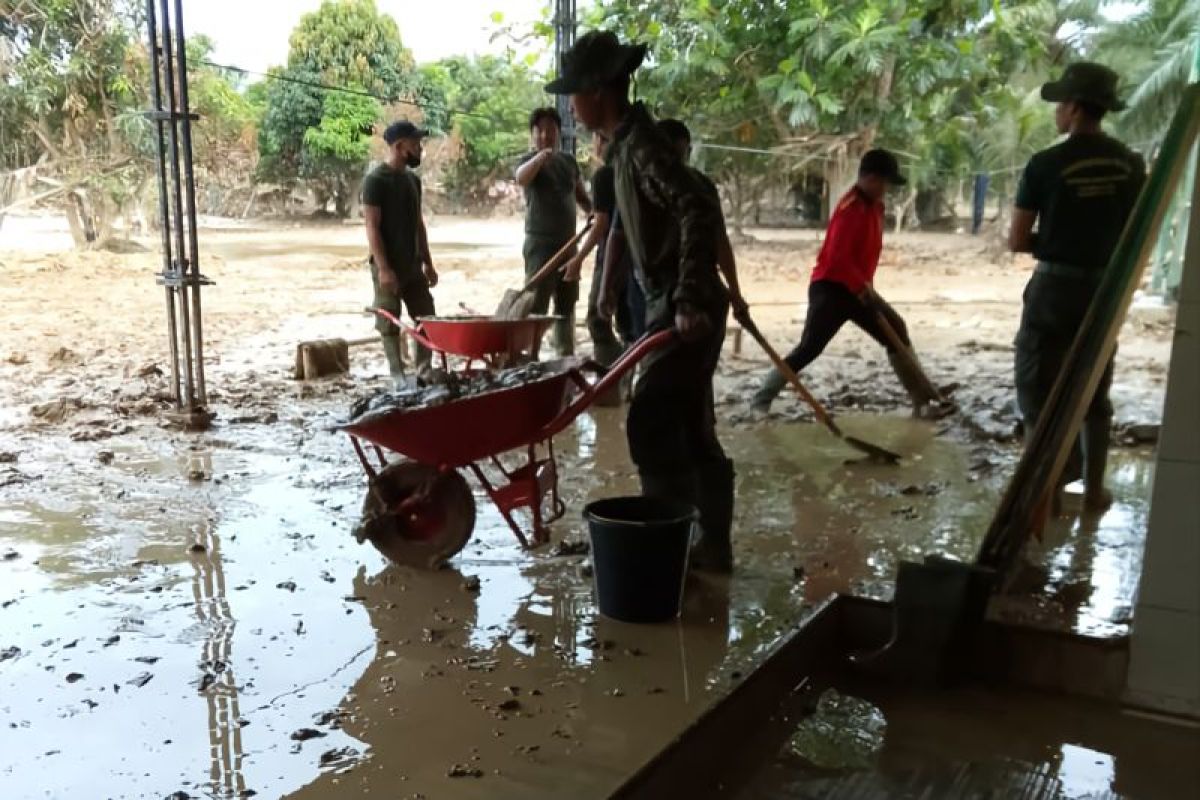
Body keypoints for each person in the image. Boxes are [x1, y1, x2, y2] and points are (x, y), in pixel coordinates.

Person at [547, 30, 735, 572]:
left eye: (575, 94)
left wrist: (689, 296)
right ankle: (708, 548)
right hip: (665, 303)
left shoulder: (644, 144)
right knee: (691, 426)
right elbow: (629, 231)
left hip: (684, 308)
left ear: (600, 91)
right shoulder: (624, 149)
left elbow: (696, 204)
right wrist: (609, 289)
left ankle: (668, 550)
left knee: (651, 421)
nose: (571, 106)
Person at [1008, 62, 1145, 513]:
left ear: (1072, 107)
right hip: (1103, 292)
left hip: (1053, 290)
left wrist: (1053, 241)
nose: (1057, 114)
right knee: (1093, 387)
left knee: (1035, 387)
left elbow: (1016, 239)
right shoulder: (1130, 164)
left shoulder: (1046, 164)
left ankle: (1041, 493)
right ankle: (1092, 491)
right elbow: (1135, 234)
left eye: (1060, 105)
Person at [749, 149, 944, 417]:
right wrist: (860, 289)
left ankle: (922, 400)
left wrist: (867, 290)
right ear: (872, 178)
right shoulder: (849, 209)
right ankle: (761, 398)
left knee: (896, 330)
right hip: (831, 289)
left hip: (861, 289)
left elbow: (866, 255)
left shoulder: (875, 206)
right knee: (810, 348)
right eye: (886, 183)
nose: (887, 189)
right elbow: (838, 258)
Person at [363, 120, 438, 385]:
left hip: (412, 265)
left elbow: (419, 224)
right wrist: (384, 269)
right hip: (388, 265)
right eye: (415, 144)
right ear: (399, 146)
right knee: (389, 320)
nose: (420, 148)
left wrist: (428, 263)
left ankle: (423, 371)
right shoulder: (375, 181)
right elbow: (372, 227)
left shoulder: (413, 181)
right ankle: (397, 374)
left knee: (426, 315)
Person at [514, 107, 593, 356]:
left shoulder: (568, 162)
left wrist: (592, 210)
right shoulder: (528, 162)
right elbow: (521, 178)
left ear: (559, 133)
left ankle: (564, 353)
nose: (546, 135)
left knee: (566, 304)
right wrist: (539, 159)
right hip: (540, 246)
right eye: (540, 131)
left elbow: (580, 195)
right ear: (533, 134)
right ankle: (531, 356)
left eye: (551, 130)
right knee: (537, 304)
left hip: (569, 246)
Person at [655, 118, 750, 321]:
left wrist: (735, 292)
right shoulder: (642, 189)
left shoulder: (701, 187)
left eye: (682, 156)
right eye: (671, 158)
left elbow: (719, 239)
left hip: (699, 289)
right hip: (656, 291)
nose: (677, 168)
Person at [561, 133, 631, 368]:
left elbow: (603, 225)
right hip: (636, 259)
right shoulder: (633, 172)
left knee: (597, 319)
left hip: (612, 256)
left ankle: (610, 381)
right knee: (627, 323)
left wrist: (578, 259)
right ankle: (627, 379)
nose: (597, 144)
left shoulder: (603, 176)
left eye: (600, 138)